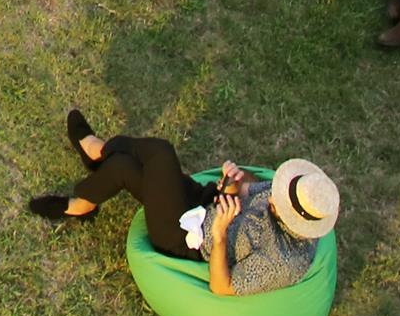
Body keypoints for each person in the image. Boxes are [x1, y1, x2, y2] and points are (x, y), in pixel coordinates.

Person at [29, 110, 337, 296]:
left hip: (187, 238)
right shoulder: (288, 194)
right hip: (205, 200)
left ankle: (96, 150)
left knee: (161, 152)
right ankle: (85, 203)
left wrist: (219, 234)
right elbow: (247, 189)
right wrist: (234, 181)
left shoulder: (283, 261)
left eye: (276, 199)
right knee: (124, 166)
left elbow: (223, 287)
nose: (271, 194)